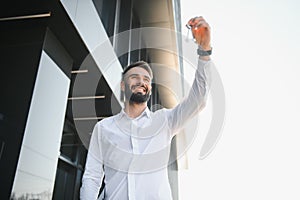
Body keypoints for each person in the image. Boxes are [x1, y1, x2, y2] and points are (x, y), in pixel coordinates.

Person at [80, 16, 213, 200]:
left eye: (147, 80)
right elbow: (92, 177)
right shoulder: (103, 129)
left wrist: (204, 51)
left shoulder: (165, 121)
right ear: (123, 85)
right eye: (135, 77)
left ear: (149, 88)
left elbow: (199, 99)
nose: (142, 82)